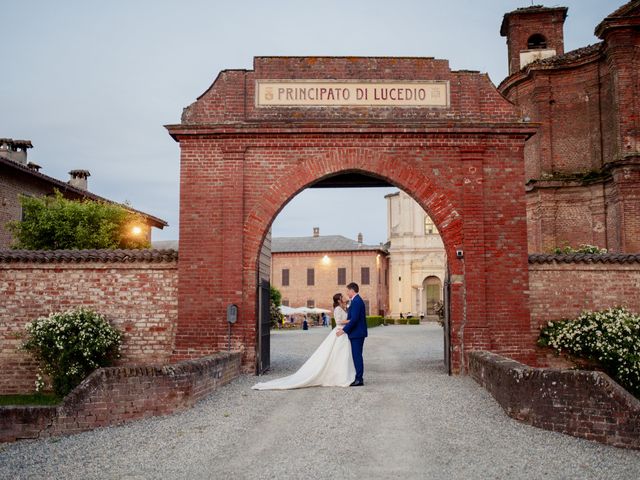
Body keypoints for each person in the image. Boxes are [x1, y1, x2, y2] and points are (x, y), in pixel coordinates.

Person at [252, 293, 355, 390]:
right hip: (339, 331)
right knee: (338, 354)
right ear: (339, 299)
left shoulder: (342, 307)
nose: (344, 296)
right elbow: (338, 321)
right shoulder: (337, 308)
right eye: (342, 296)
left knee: (340, 355)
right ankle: (338, 376)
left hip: (343, 332)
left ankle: (340, 375)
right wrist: (351, 320)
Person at [336, 282, 367, 386]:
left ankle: (359, 379)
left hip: (357, 333)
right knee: (356, 355)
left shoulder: (357, 301)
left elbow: (354, 320)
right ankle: (358, 377)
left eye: (348, 290)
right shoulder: (355, 301)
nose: (347, 293)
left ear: (352, 290)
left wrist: (343, 331)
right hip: (357, 333)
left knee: (357, 356)